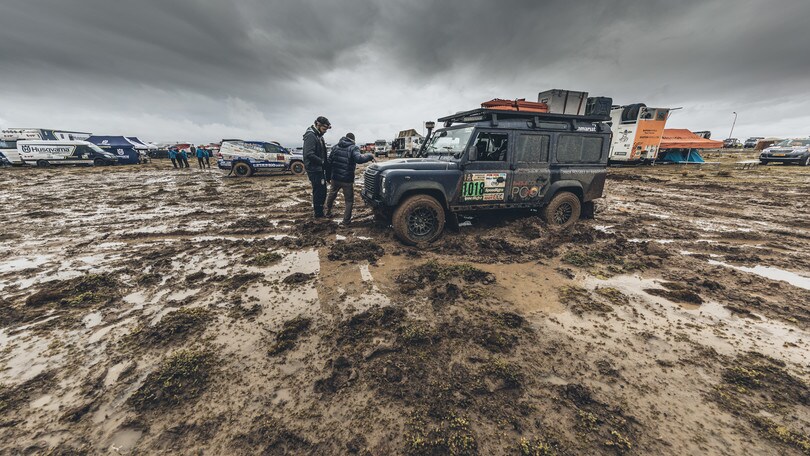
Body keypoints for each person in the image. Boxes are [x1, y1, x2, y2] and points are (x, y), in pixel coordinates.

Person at [326, 133, 374, 225]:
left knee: (331, 195)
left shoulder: (335, 147)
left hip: (335, 178)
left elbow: (329, 162)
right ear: (353, 140)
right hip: (347, 179)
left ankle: (327, 212)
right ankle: (346, 221)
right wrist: (369, 156)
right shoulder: (353, 147)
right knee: (349, 201)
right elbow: (359, 159)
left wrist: (328, 176)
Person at [302, 116, 331, 218]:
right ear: (318, 125)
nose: (325, 131)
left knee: (322, 191)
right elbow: (309, 154)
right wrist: (322, 162)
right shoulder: (310, 135)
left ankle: (319, 211)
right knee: (319, 191)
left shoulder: (319, 136)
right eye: (324, 129)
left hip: (319, 168)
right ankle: (318, 214)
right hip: (314, 169)